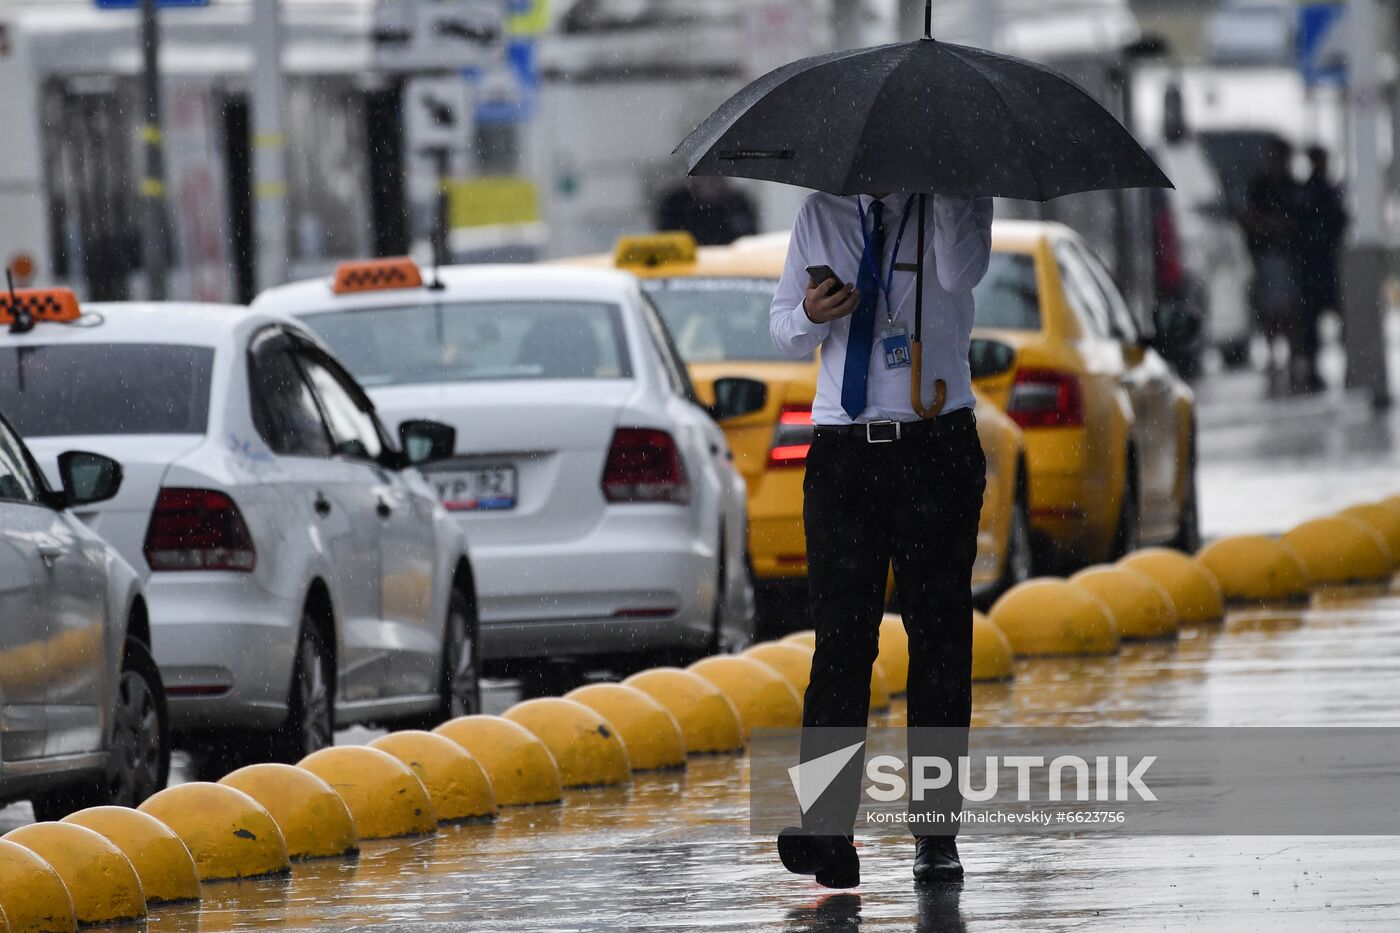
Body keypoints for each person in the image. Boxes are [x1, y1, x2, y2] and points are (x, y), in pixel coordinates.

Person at [769, 191, 993, 888]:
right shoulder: (822, 214)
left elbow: (960, 274)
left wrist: (949, 185)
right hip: (844, 453)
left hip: (937, 445)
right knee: (841, 641)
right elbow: (782, 327)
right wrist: (811, 314)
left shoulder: (959, 198)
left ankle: (936, 834)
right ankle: (829, 828)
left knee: (938, 638)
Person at [1241, 139, 1304, 390]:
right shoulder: (1262, 186)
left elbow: (1298, 221)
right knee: (1270, 310)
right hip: (1267, 256)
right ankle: (1274, 357)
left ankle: (1291, 359)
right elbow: (1249, 217)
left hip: (1287, 256)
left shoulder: (1290, 187)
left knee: (1289, 310)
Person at [1294, 146, 1348, 393]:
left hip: (1316, 264)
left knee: (1316, 320)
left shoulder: (1312, 191)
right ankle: (1318, 370)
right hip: (1320, 264)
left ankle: (1318, 370)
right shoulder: (1319, 191)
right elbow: (1339, 222)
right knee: (1324, 318)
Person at [655, 176, 758, 245]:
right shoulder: (676, 204)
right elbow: (669, 241)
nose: (711, 180)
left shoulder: (739, 204)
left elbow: (749, 242)